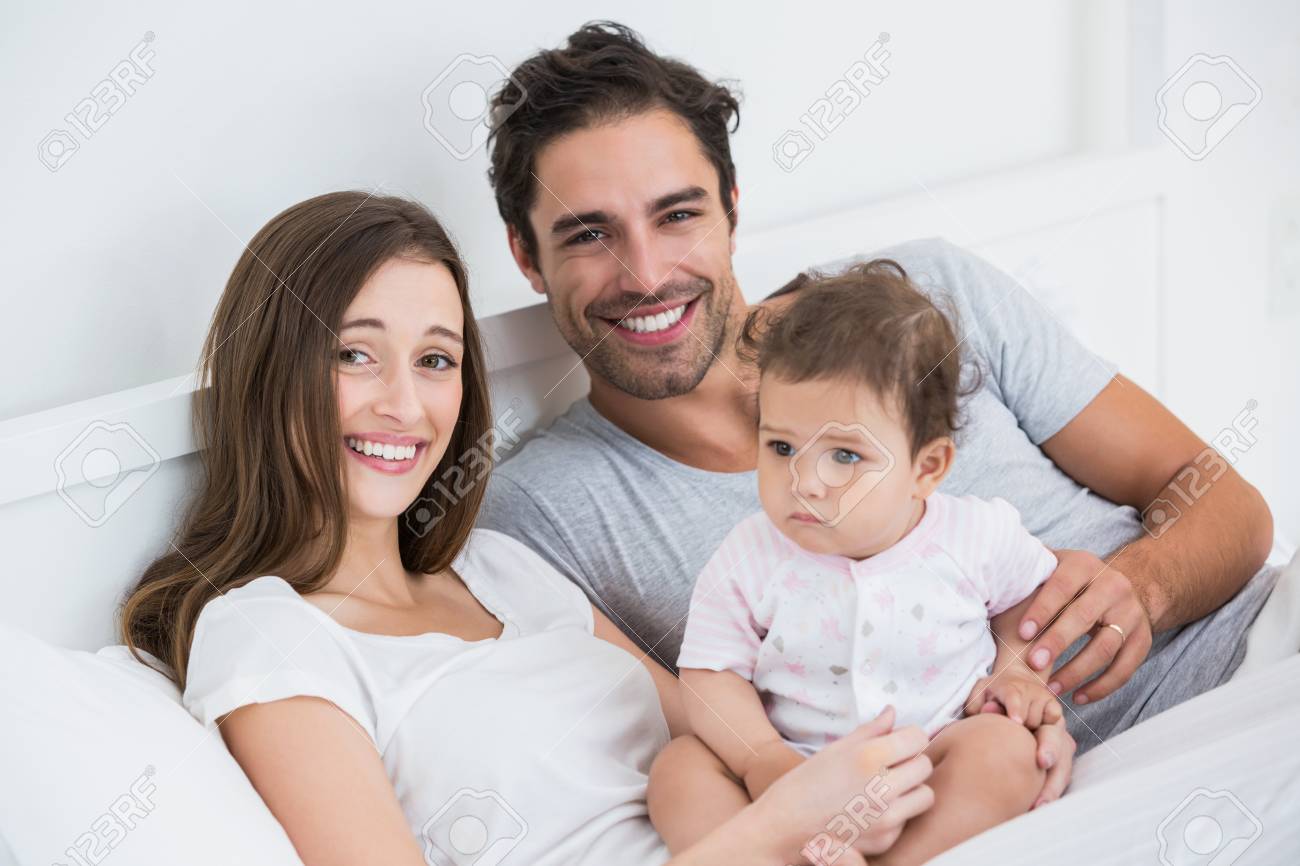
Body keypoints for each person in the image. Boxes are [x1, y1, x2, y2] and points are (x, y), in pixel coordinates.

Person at [477, 20, 1278, 804]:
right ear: (526, 256)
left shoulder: (923, 299)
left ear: (731, 206)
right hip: (1031, 806)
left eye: (678, 214)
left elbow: (1229, 505)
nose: (645, 274)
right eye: (588, 234)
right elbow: (702, 763)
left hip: (1259, 659)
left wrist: (1143, 590)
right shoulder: (536, 520)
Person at [119, 191, 936, 866]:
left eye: (435, 360)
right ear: (274, 370)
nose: (404, 404)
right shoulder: (268, 636)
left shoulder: (498, 565)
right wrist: (777, 830)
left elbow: (729, 740)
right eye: (354, 355)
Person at [650, 261, 1063, 865]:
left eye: (844, 455)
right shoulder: (751, 554)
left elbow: (1028, 602)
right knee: (678, 770)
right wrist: (762, 758)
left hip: (931, 752)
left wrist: (1018, 671)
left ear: (928, 468)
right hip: (795, 768)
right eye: (782, 446)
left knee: (1007, 752)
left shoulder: (975, 533)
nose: (805, 482)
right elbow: (711, 675)